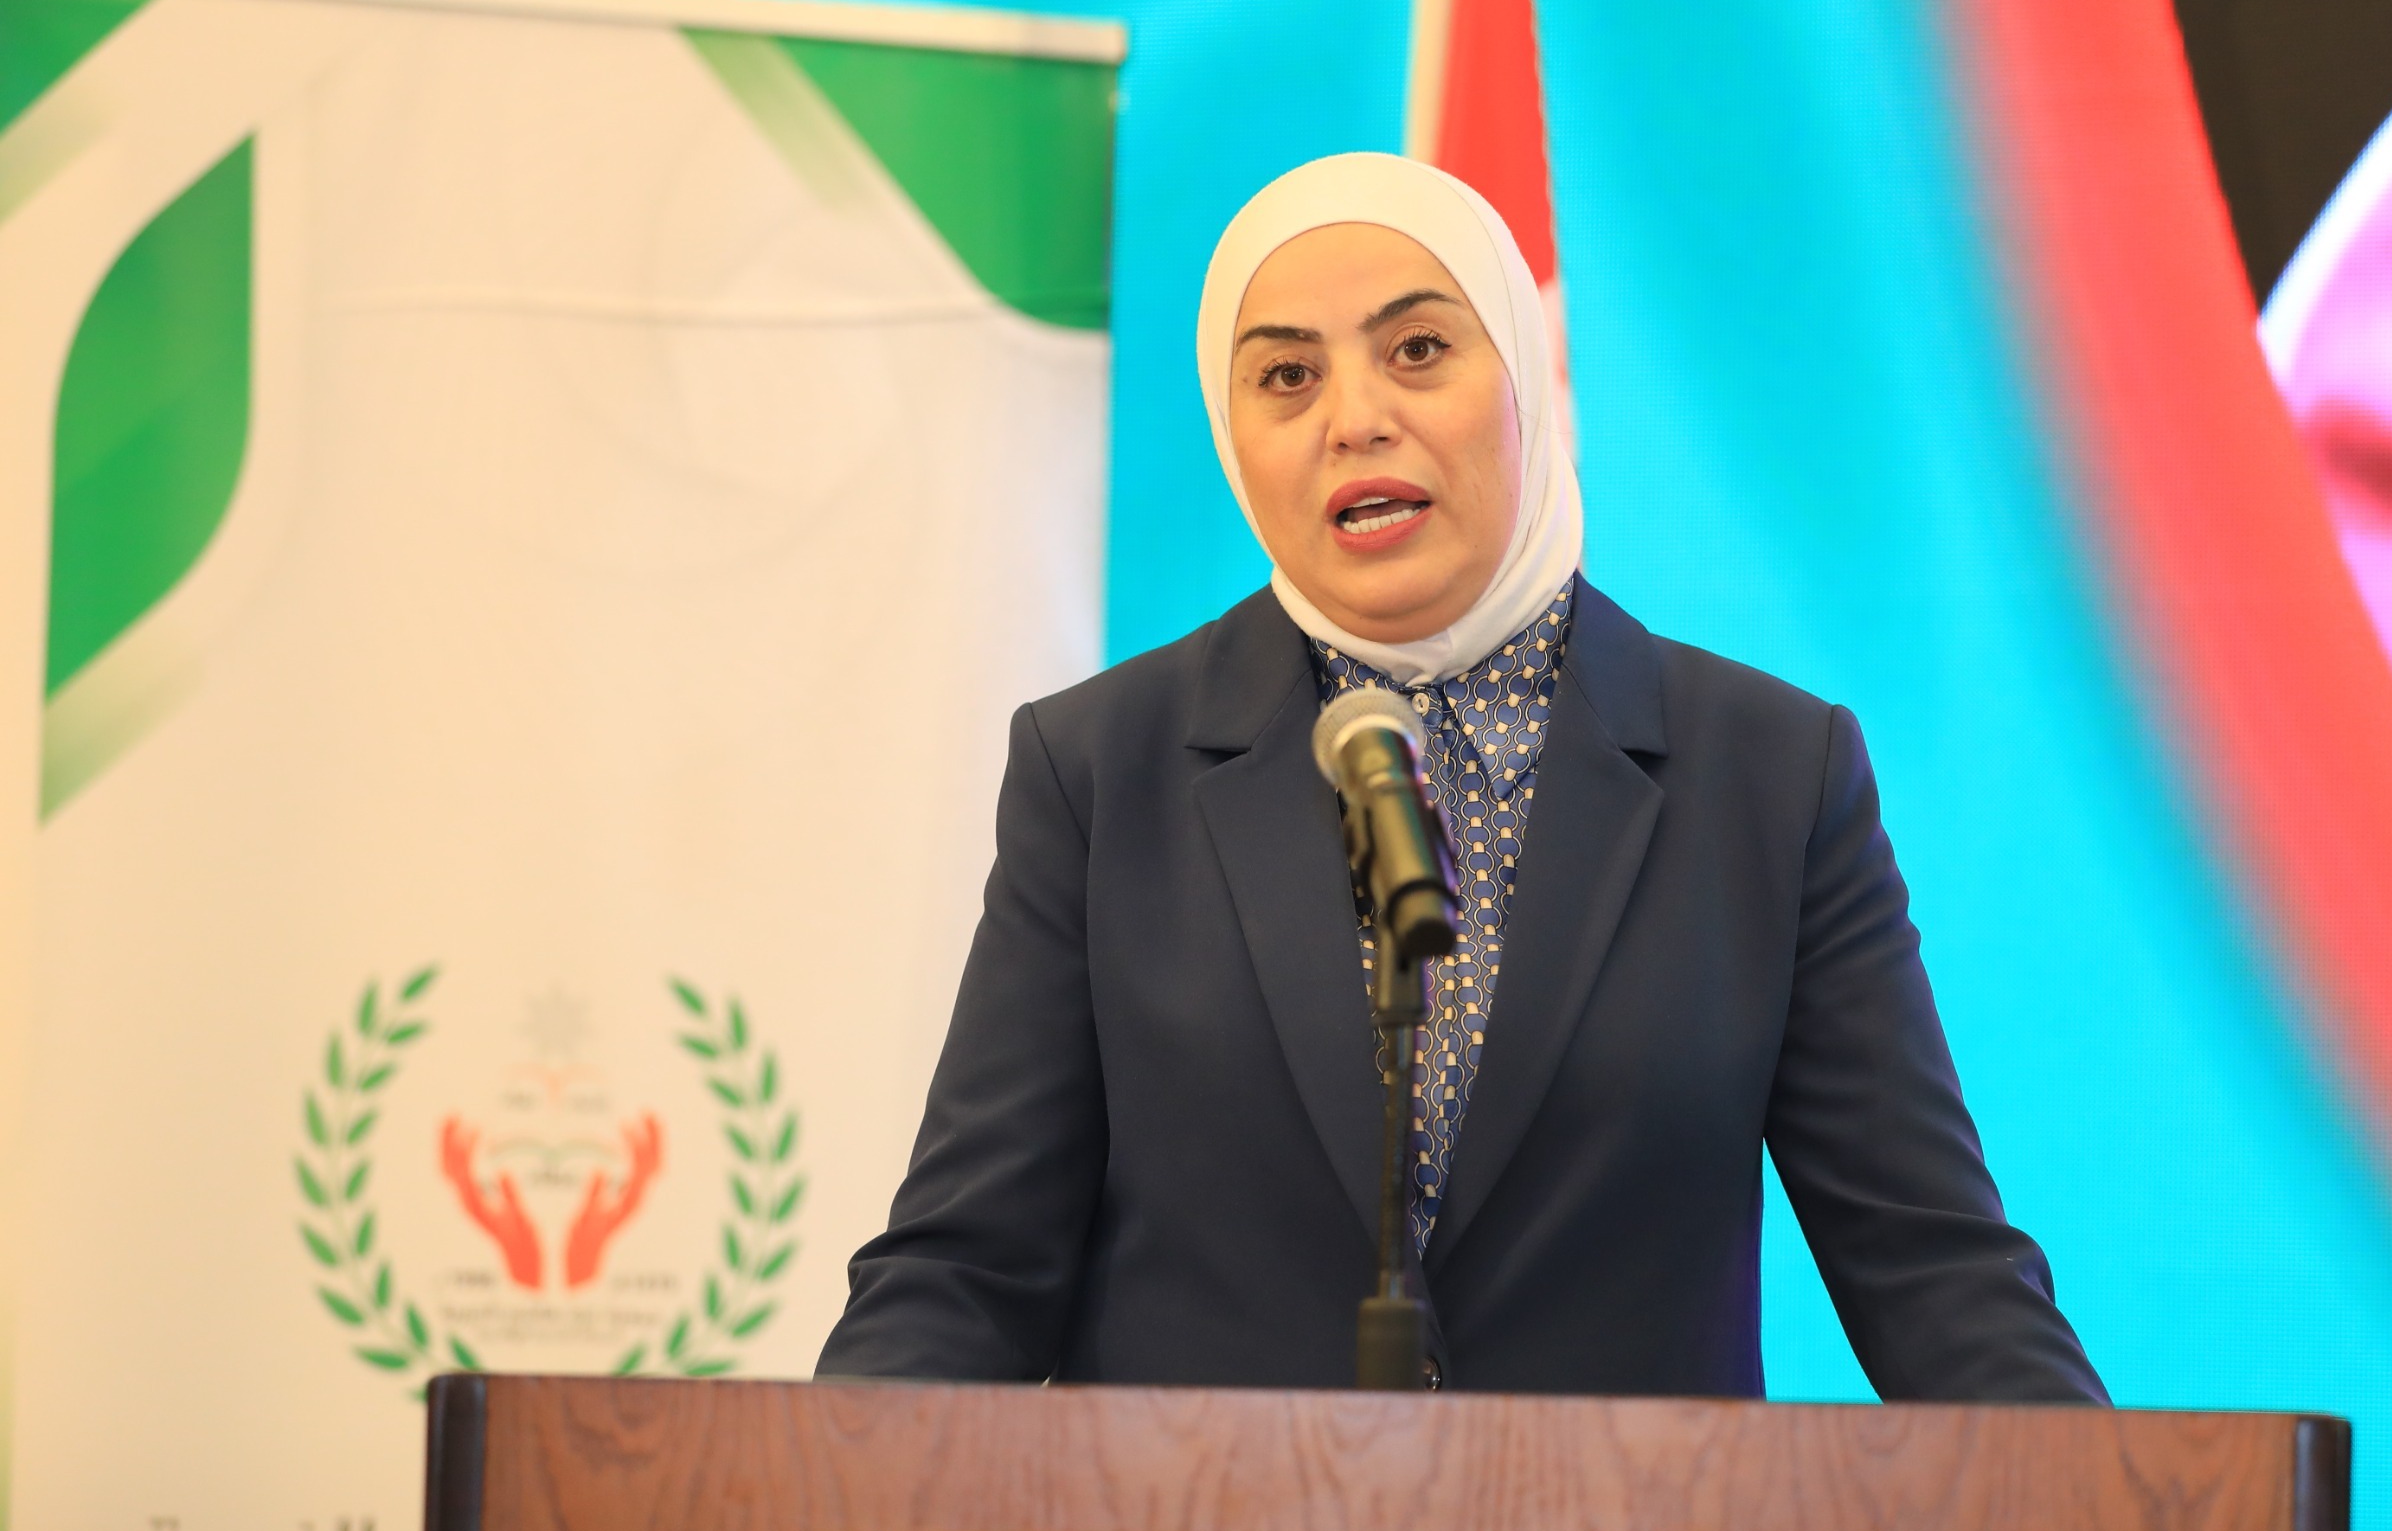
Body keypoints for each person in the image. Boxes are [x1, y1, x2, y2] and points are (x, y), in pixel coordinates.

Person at [817, 152, 2105, 1400]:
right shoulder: (1100, 769)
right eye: (1286, 376)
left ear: (1524, 381)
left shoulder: (1769, 773)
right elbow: (968, 1267)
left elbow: (1929, 1268)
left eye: (1419, 349)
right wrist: (815, 1487)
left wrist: (2126, 1503)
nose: (1354, 418)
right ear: (1232, 436)